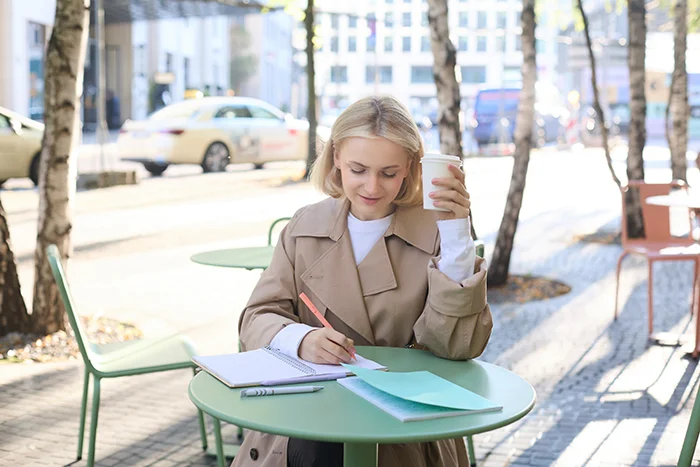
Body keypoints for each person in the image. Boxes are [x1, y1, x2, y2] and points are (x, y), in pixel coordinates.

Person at [233, 95, 493, 467]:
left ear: (410, 167)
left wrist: (456, 233)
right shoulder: (304, 227)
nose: (372, 187)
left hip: (403, 431)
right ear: (336, 156)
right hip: (302, 426)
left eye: (388, 172)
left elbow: (456, 346)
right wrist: (301, 339)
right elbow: (256, 317)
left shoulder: (438, 233)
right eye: (358, 169)